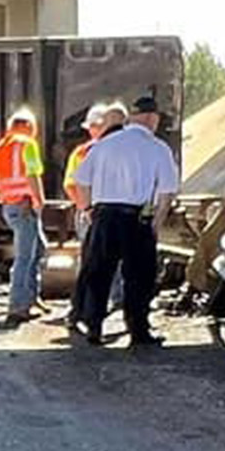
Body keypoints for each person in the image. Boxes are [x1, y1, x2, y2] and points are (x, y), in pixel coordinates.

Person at [63, 88, 186, 349]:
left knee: (98, 273)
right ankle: (138, 331)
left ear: (132, 117)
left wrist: (88, 210)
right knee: (139, 277)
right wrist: (155, 224)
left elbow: (80, 180)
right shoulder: (158, 148)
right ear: (152, 119)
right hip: (137, 218)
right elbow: (166, 192)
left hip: (104, 216)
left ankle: (93, 327)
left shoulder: (104, 144)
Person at [0, 104, 49, 329]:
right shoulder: (27, 144)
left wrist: (7, 197)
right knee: (25, 257)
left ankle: (31, 297)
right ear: (30, 126)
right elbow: (32, 175)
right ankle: (18, 307)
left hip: (11, 206)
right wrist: (39, 200)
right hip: (26, 205)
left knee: (38, 248)